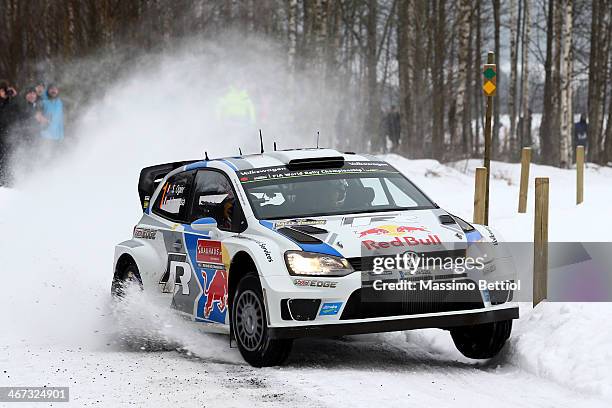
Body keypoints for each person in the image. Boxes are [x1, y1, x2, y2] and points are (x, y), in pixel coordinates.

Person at [0, 80, 18, 185]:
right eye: (2, 90)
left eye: (5, 90)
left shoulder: (11, 103)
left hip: (9, 136)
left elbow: (21, 108)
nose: (4, 93)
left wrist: (15, 97)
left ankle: (8, 181)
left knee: (8, 160)